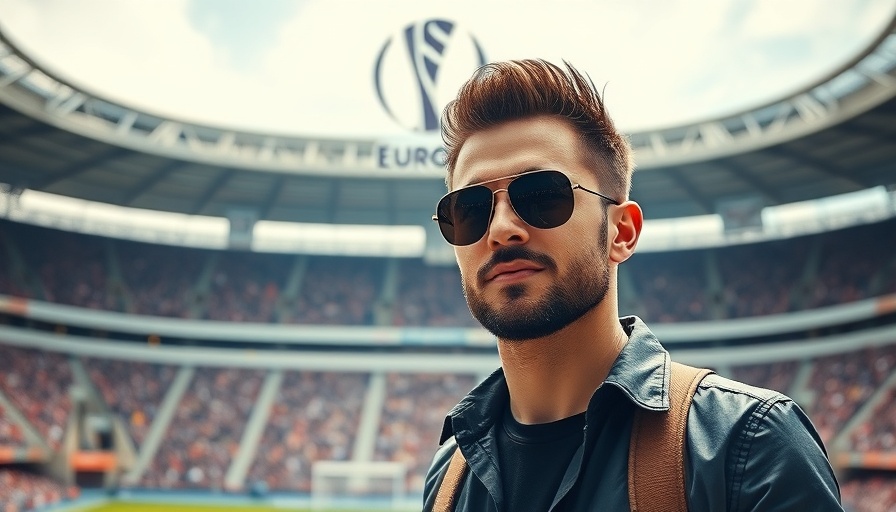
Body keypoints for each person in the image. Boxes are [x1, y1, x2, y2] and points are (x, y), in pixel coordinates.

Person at [423, 59, 842, 511]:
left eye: (542, 195)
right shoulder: (448, 472)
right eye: (469, 207)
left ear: (621, 232)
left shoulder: (748, 446)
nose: (502, 229)